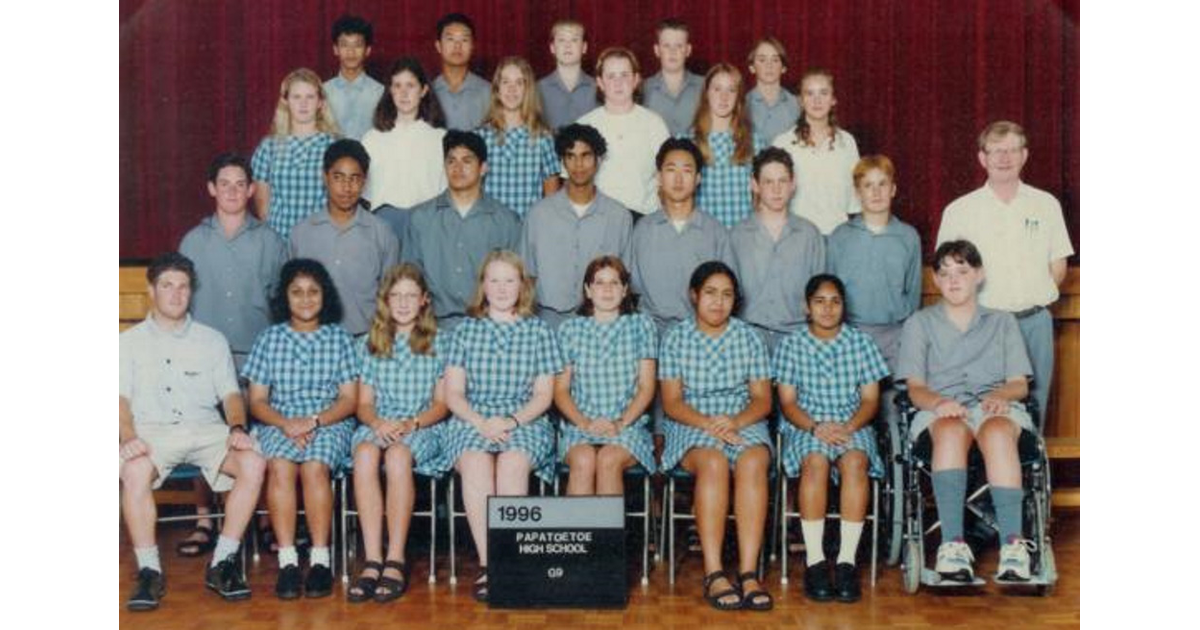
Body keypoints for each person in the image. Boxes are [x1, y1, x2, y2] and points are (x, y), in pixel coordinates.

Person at [120, 253, 266, 610]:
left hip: (206, 430)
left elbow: (231, 394)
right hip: (153, 432)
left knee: (254, 463)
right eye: (167, 286)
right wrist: (127, 436)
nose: (175, 294)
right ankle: (150, 572)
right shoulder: (127, 342)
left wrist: (237, 427)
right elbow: (118, 400)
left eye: (183, 286)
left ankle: (222, 562)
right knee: (134, 469)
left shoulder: (212, 339)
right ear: (151, 290)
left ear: (191, 292)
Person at [897, 240, 1036, 583]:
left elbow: (1019, 383)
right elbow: (915, 388)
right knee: (949, 430)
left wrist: (1001, 396)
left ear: (979, 275)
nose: (954, 280)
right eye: (945, 273)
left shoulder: (1002, 322)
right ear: (935, 280)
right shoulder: (920, 323)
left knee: (998, 431)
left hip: (994, 409)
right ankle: (953, 546)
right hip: (941, 410)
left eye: (962, 271)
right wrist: (938, 404)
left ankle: (1013, 546)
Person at [177, 153, 287, 557]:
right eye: (225, 184)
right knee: (205, 431)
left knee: (257, 436)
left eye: (241, 184)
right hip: (205, 357)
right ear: (212, 189)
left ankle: (262, 515)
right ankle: (206, 520)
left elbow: (281, 301)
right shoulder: (194, 241)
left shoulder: (270, 241)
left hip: (255, 352)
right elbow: (181, 301)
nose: (233, 191)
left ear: (252, 189)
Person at [441, 251, 564, 603]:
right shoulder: (464, 330)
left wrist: (509, 422)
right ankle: (488, 564)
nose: (501, 288)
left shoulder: (539, 330)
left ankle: (510, 561)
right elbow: (453, 392)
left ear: (522, 286)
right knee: (477, 463)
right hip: (472, 418)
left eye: (509, 280)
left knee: (512, 463)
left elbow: (544, 395)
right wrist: (482, 422)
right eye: (493, 280)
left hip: (523, 419)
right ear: (482, 285)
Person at [936, 121, 1074, 421]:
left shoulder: (1045, 205)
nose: (1004, 158)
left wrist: (1031, 299)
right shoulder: (960, 210)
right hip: (985, 327)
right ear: (982, 158)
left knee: (1034, 412)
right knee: (985, 411)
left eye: (1012, 150)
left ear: (1024, 155)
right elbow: (949, 273)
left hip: (1034, 322)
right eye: (996, 151)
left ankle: (1029, 469)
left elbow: (1058, 264)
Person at [659, 261, 773, 612]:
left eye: (726, 295)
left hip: (741, 419)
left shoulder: (748, 336)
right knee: (714, 461)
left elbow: (763, 399)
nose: (718, 302)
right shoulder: (676, 337)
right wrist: (710, 424)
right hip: (692, 422)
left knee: (754, 459)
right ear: (694, 296)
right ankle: (714, 572)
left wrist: (734, 422)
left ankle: (749, 572)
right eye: (710, 293)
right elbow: (672, 402)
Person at [243, 259, 358, 600]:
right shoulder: (269, 338)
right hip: (279, 420)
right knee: (279, 466)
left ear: (325, 296)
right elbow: (258, 401)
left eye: (313, 292)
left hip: (329, 421)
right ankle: (289, 562)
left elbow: (349, 399)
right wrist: (286, 424)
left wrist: (314, 421)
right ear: (284, 297)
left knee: (314, 467)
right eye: (297, 292)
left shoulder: (339, 338)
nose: (305, 299)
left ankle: (321, 560)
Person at [774, 274, 890, 603]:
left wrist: (850, 427)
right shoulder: (791, 344)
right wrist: (815, 428)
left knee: (855, 462)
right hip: (806, 426)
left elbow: (870, 400)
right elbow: (788, 402)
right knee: (815, 463)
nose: (828, 308)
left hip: (853, 426)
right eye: (820, 301)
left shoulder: (860, 343)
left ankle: (846, 562)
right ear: (806, 307)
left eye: (835, 301)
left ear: (844, 306)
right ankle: (815, 562)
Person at [347, 264, 451, 603]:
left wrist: (411, 424)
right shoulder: (369, 344)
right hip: (380, 423)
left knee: (397, 455)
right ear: (385, 301)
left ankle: (395, 557)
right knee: (364, 453)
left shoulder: (439, 343)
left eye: (411, 296)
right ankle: (372, 557)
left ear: (423, 301)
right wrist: (377, 424)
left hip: (423, 426)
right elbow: (363, 404)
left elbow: (442, 404)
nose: (403, 303)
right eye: (396, 296)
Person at [555, 256, 657, 495]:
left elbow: (646, 387)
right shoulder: (569, 329)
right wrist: (585, 424)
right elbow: (560, 391)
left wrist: (620, 423)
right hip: (580, 424)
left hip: (627, 426)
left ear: (624, 290)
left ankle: (605, 534)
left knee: (608, 460)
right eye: (599, 283)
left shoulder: (642, 326)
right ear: (588, 290)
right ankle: (578, 533)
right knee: (584, 459)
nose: (607, 289)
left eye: (614, 282)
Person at [402, 131, 521, 331]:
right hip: (432, 328)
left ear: (483, 168)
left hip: (489, 327)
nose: (458, 168)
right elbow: (409, 279)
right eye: (451, 161)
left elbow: (517, 283)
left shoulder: (506, 221)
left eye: (467, 161)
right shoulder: (420, 218)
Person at [519, 123, 632, 328]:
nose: (578, 164)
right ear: (562, 160)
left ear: (598, 159)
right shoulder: (539, 214)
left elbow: (625, 278)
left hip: (602, 323)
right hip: (548, 321)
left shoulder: (619, 216)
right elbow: (527, 276)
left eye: (586, 155)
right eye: (571, 156)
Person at [289, 139, 400, 336]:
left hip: (366, 343)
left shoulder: (382, 233)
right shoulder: (302, 233)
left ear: (364, 181)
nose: (346, 187)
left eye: (354, 178)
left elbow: (391, 297)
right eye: (338, 177)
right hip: (315, 341)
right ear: (325, 177)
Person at [630, 138, 735, 336]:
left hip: (701, 335)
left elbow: (727, 292)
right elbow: (633, 289)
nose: (678, 180)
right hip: (650, 334)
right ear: (659, 177)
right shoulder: (642, 230)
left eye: (686, 171)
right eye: (671, 170)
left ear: (697, 179)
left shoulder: (715, 232)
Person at [827, 155, 922, 372]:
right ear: (858, 192)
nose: (876, 192)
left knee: (894, 401)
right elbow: (830, 291)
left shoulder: (908, 237)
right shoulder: (840, 237)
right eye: (868, 185)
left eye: (882, 184)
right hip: (851, 334)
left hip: (895, 336)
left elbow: (913, 293)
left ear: (893, 189)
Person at [729, 147, 824, 352]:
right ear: (755, 185)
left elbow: (820, 293)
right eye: (768, 182)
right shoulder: (737, 236)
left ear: (793, 185)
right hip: (748, 338)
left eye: (782, 181)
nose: (776, 189)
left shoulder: (810, 235)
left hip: (798, 339)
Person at [577, 47, 671, 216]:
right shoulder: (584, 125)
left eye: (624, 75)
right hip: (598, 220)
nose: (618, 82)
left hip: (644, 219)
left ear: (636, 80)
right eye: (611, 76)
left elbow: (666, 178)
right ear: (600, 82)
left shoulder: (654, 124)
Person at [251, 68, 340, 240]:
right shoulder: (269, 147)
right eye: (296, 97)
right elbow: (263, 209)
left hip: (320, 241)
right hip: (278, 242)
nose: (303, 104)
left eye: (310, 97)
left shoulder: (334, 146)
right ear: (285, 101)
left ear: (320, 102)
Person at [771, 68, 860, 235]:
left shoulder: (847, 142)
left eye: (823, 93)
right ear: (801, 100)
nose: (817, 100)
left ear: (833, 99)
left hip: (838, 235)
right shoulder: (782, 143)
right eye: (810, 93)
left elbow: (854, 201)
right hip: (797, 236)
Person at [361, 57, 448, 218]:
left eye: (410, 85)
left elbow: (445, 191)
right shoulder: (372, 138)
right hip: (384, 221)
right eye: (397, 85)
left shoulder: (440, 138)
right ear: (390, 91)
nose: (404, 93)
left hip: (427, 221)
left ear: (423, 90)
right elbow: (366, 193)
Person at [475, 56, 561, 218]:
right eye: (506, 82)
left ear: (527, 89)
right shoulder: (481, 137)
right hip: (490, 229)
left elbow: (552, 196)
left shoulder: (543, 138)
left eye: (519, 83)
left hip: (527, 229)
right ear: (497, 89)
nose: (511, 89)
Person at [690, 62, 765, 228]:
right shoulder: (688, 142)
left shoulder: (755, 143)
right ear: (706, 94)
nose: (724, 97)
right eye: (717, 89)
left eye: (731, 90)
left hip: (743, 239)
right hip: (703, 238)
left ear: (739, 96)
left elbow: (762, 200)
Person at [323, 15, 385, 140]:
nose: (351, 52)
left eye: (357, 45)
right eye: (344, 45)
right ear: (335, 49)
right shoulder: (323, 91)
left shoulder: (380, 92)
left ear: (367, 50)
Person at [643, 18, 704, 137]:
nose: (673, 51)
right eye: (666, 46)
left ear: (688, 50)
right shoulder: (643, 89)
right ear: (657, 50)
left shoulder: (705, 86)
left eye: (679, 46)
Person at [432, 12, 491, 131]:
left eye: (464, 40)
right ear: (438, 46)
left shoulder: (488, 91)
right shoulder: (428, 92)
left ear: (472, 46)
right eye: (450, 39)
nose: (457, 46)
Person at [536, 19, 597, 130]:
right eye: (561, 40)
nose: (567, 45)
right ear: (552, 48)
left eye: (574, 40)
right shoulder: (538, 88)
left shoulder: (598, 87)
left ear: (584, 47)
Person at [744, 37, 799, 145]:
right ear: (752, 67)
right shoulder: (742, 104)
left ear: (783, 67)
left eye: (775, 60)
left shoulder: (796, 105)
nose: (769, 65)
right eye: (762, 60)